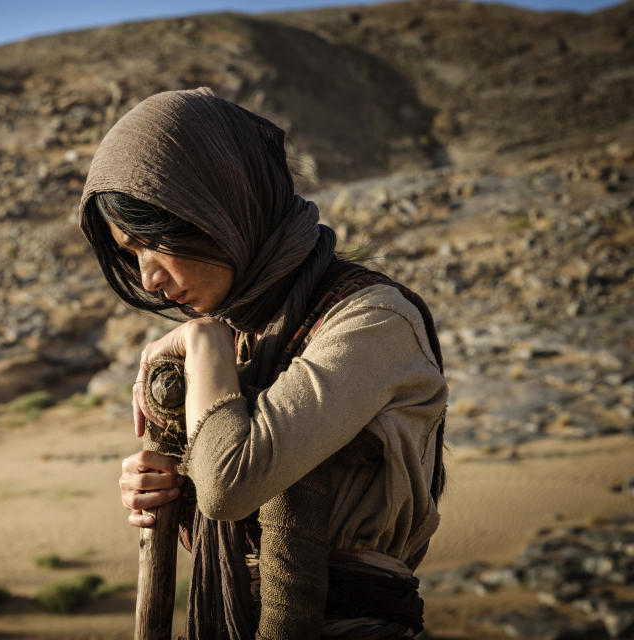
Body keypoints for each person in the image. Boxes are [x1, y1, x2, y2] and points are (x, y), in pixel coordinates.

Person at [78, 87, 447, 639]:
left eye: (154, 241)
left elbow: (231, 484)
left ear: (222, 206)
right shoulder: (248, 336)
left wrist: (203, 342)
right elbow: (222, 503)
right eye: (131, 254)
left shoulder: (371, 321)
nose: (149, 277)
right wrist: (168, 488)